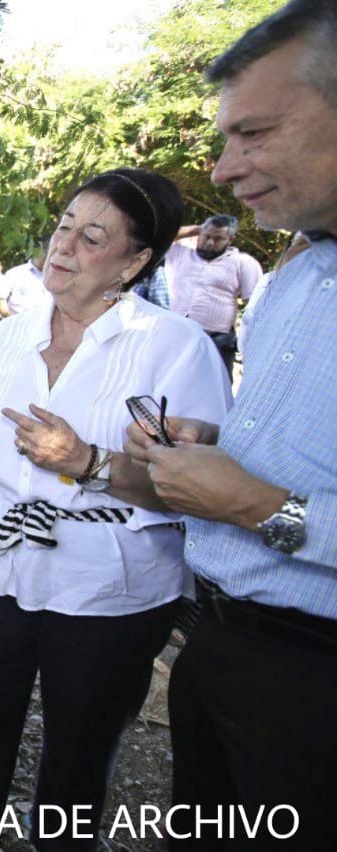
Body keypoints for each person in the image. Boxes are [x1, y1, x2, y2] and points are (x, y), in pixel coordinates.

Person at [0, 168, 231, 850]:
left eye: (92, 236)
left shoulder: (175, 347)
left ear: (134, 262)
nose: (63, 246)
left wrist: (89, 463)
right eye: (64, 225)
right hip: (4, 572)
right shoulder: (15, 332)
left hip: (110, 592)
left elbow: (205, 489)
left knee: (77, 756)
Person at [125, 3, 337, 846]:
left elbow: (271, 501)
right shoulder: (294, 274)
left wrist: (255, 503)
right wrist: (227, 454)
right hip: (216, 642)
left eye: (254, 133)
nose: (221, 169)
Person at [165, 214, 263, 376]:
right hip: (175, 331)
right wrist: (197, 229)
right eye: (206, 236)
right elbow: (159, 236)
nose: (210, 243)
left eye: (218, 239)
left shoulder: (243, 263)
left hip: (216, 339)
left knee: (214, 387)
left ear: (230, 240)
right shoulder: (180, 253)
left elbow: (255, 304)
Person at [0, 240, 49, 318]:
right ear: (38, 251)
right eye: (48, 252)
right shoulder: (16, 273)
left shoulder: (58, 276)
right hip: (20, 325)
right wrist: (12, 320)